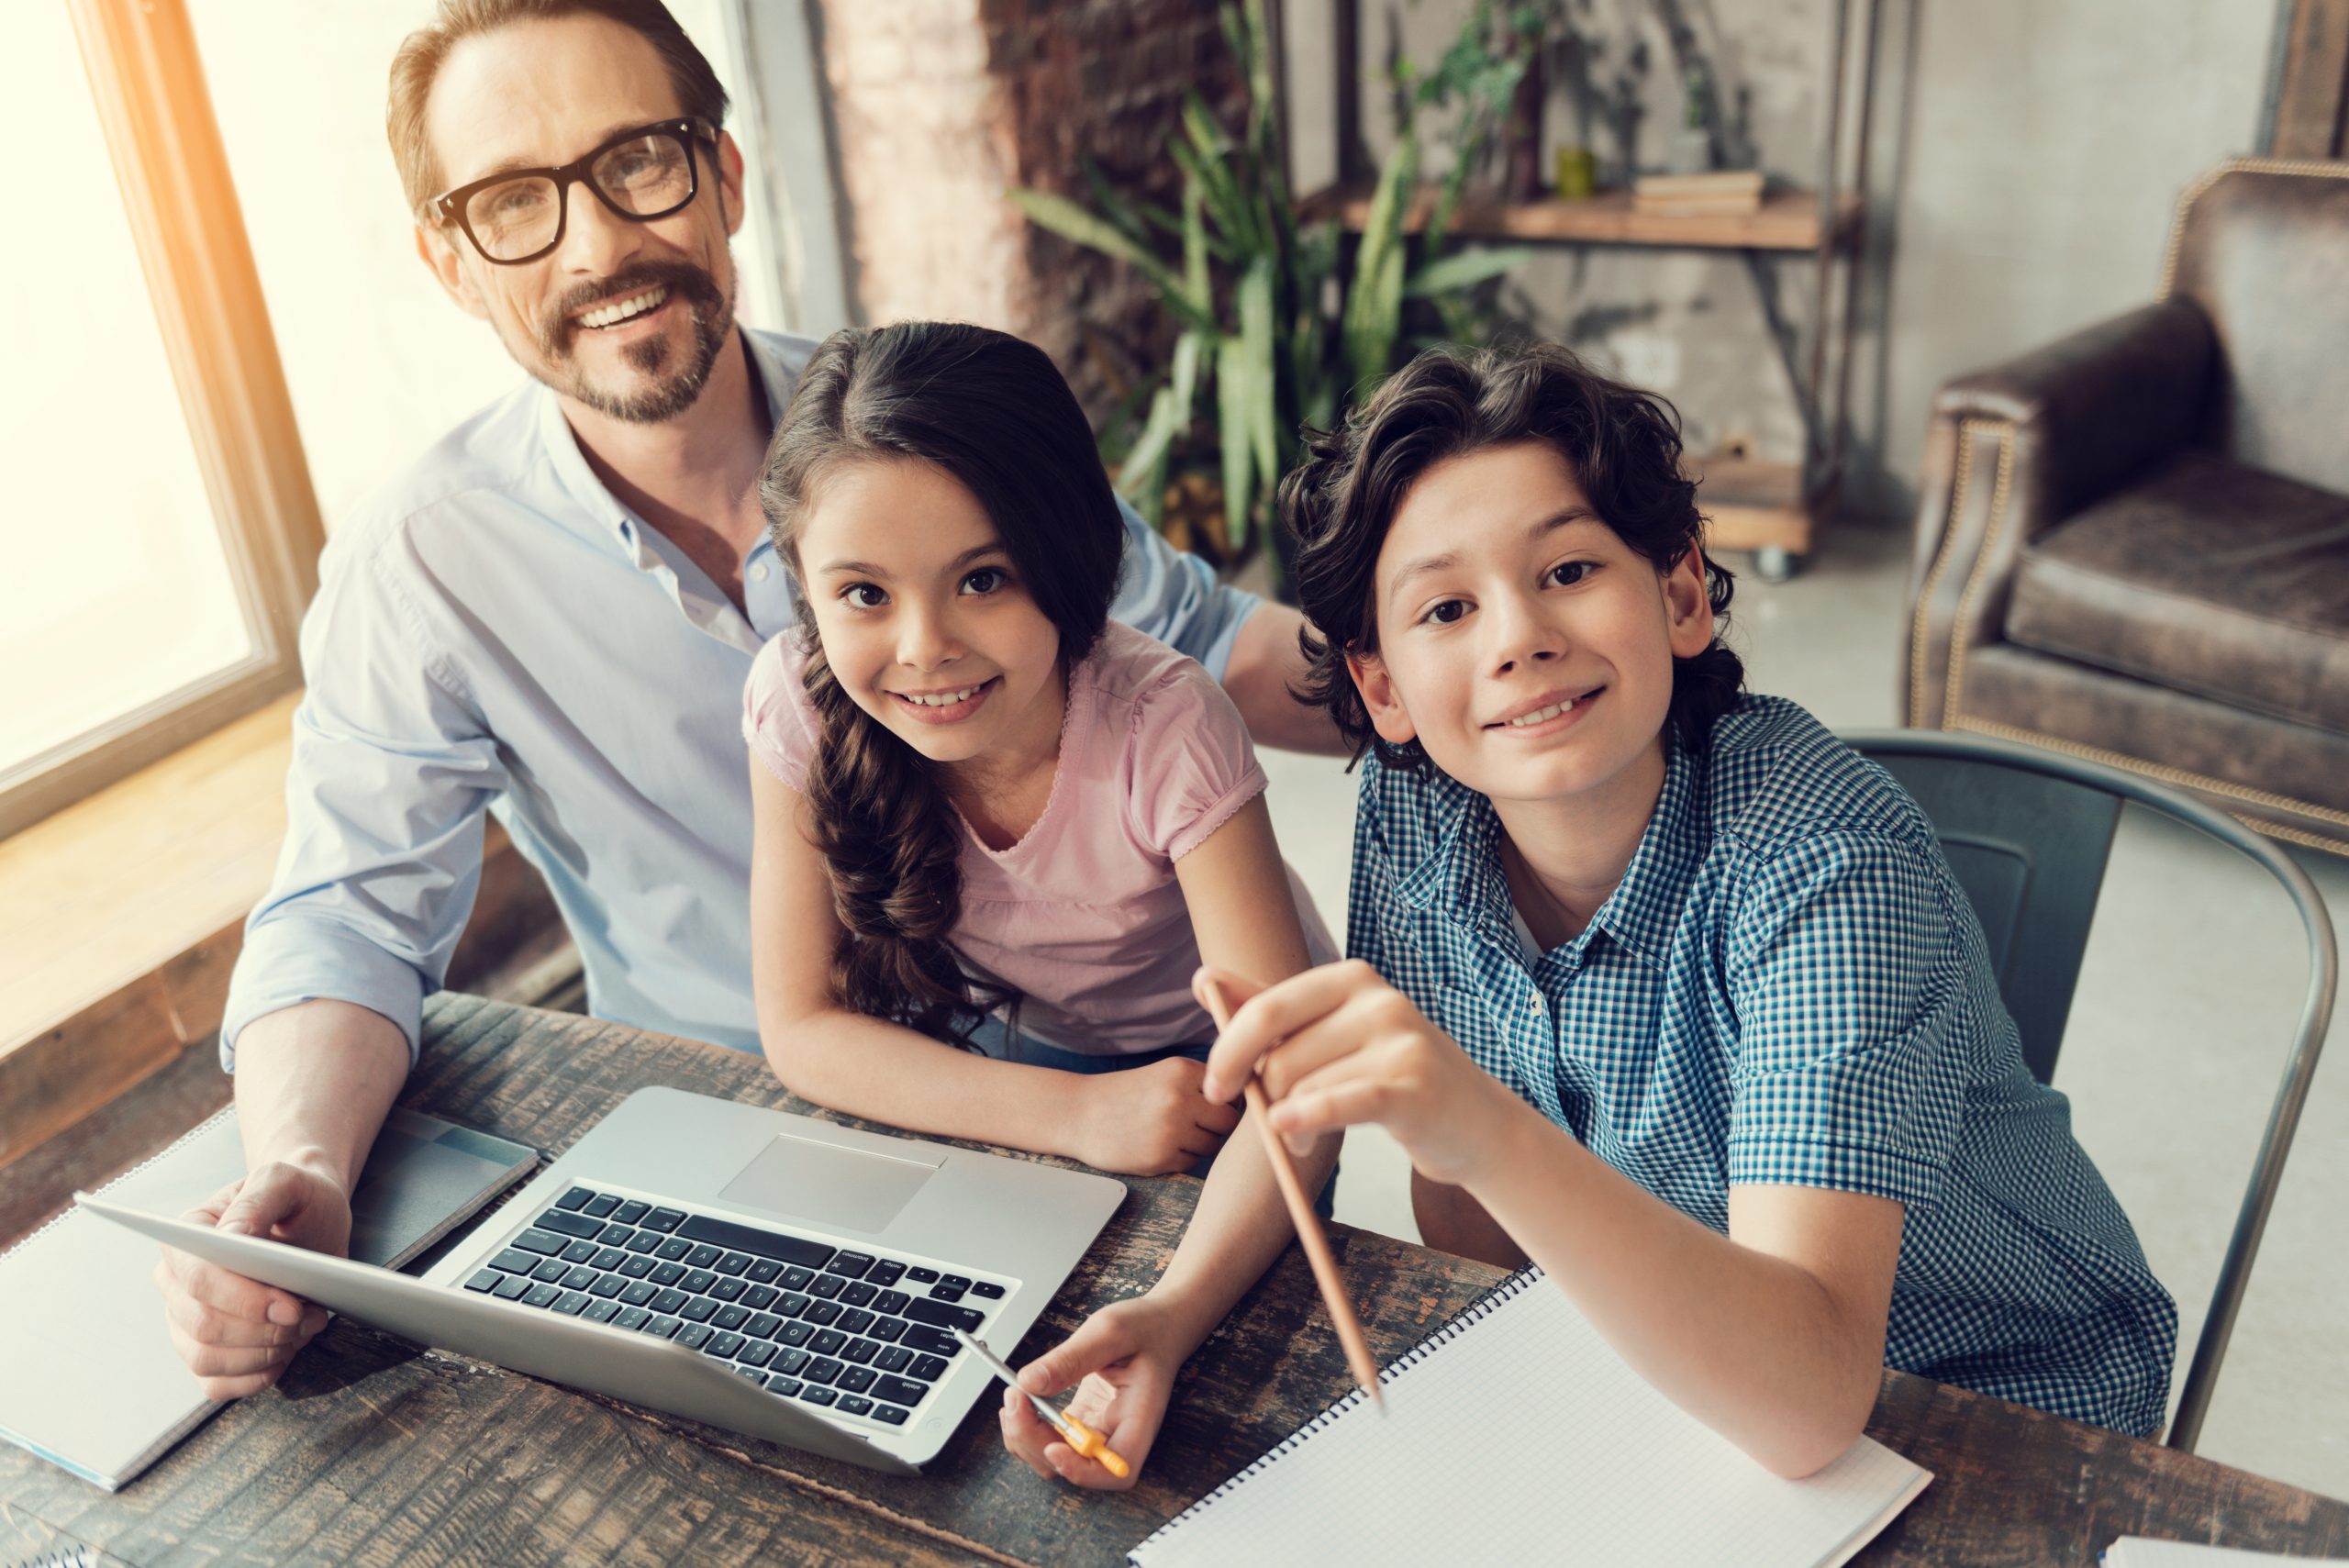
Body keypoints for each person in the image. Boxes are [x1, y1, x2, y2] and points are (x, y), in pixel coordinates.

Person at [159, 0, 1339, 1404]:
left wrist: (1469, 671)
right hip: (741, 1116)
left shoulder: (909, 433)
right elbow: (342, 917)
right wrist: (296, 1160)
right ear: (450, 260)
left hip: (1102, 1095)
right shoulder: (418, 561)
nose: (598, 246)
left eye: (637, 164)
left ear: (720, 173)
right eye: (516, 204)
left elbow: (1205, 642)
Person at [1164, 340, 2179, 1485]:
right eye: (1445, 606)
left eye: (1566, 571)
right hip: (1681, 1370)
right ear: (1382, 688)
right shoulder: (1418, 811)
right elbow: (1470, 1218)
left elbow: (1811, 1407)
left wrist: (1485, 1126)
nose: (1516, 639)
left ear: (1682, 592)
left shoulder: (1824, 863)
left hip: (2003, 1408)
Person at [751, 322, 1341, 1483]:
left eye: (982, 578)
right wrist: (1076, 1116)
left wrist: (1169, 1315)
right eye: (862, 592)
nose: (923, 649)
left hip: (1215, 1080)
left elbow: (1300, 1103)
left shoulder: (1164, 726)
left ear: (1065, 558)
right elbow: (799, 1026)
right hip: (1031, 1073)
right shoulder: (797, 702)